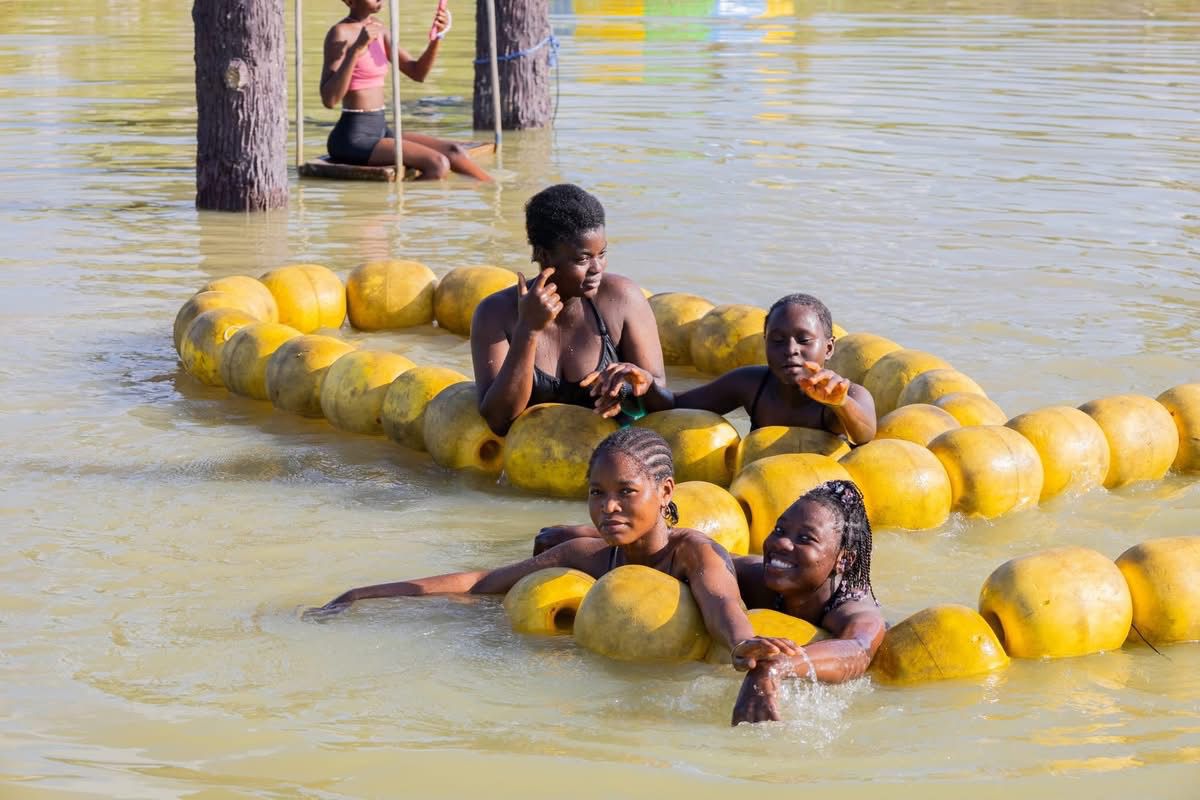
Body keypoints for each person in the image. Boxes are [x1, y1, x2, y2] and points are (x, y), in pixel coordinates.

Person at [305, 428, 795, 672]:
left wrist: (743, 647)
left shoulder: (693, 552)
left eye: (626, 492)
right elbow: (482, 582)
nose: (608, 507)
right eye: (597, 493)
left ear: (666, 492)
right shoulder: (589, 554)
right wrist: (362, 595)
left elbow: (723, 604)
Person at [471, 185, 666, 435]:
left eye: (602, 254)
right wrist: (527, 330)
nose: (597, 268)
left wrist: (626, 388)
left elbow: (662, 397)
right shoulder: (495, 313)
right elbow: (499, 421)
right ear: (544, 255)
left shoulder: (621, 299)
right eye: (583, 259)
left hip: (609, 452)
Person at [584, 293, 876, 442]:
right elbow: (675, 406)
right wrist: (647, 385)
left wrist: (840, 404)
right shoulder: (751, 384)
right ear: (764, 343)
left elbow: (865, 435)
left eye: (804, 340)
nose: (790, 350)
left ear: (829, 347)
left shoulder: (849, 395)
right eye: (777, 340)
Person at [730, 479, 886, 724]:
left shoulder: (855, 610)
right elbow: (705, 558)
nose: (781, 543)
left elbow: (858, 649)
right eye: (779, 530)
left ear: (844, 560)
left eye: (805, 538)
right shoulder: (756, 577)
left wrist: (774, 667)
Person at [320, 0, 492, 180]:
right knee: (437, 164)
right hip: (352, 137)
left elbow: (417, 72)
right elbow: (329, 99)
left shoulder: (380, 29)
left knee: (454, 152)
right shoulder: (340, 33)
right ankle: (402, 199)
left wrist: (437, 37)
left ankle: (494, 190)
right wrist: (356, 50)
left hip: (380, 128)